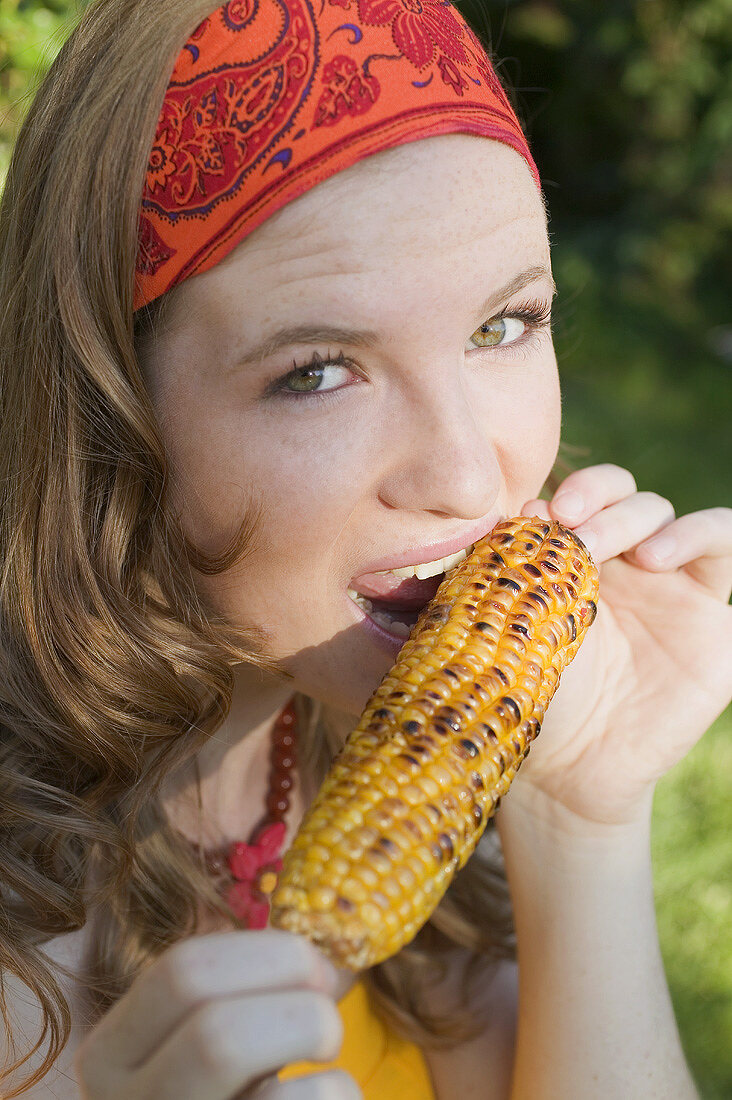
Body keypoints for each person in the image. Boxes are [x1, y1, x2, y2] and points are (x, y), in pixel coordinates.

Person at [0, 0, 730, 1096]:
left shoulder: (428, 831)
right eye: (318, 369)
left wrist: (579, 816)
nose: (472, 477)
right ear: (108, 415)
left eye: (504, 325)